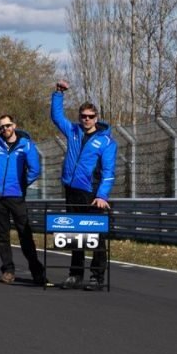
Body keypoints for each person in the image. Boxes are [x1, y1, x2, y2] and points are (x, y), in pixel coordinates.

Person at [51, 80, 117, 291]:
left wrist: (102, 196)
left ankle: (97, 277)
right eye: (83, 116)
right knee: (74, 234)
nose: (86, 120)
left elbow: (108, 172)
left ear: (96, 118)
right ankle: (75, 275)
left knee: (96, 236)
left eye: (90, 117)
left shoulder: (106, 142)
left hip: (92, 194)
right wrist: (59, 94)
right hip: (71, 190)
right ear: (79, 117)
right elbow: (56, 116)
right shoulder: (73, 131)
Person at [0, 115, 46, 285]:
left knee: (25, 234)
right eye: (1, 127)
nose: (5, 129)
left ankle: (37, 271)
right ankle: (8, 270)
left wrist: (22, 184)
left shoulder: (26, 144)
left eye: (7, 125)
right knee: (2, 235)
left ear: (14, 125)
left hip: (16, 195)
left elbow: (35, 169)